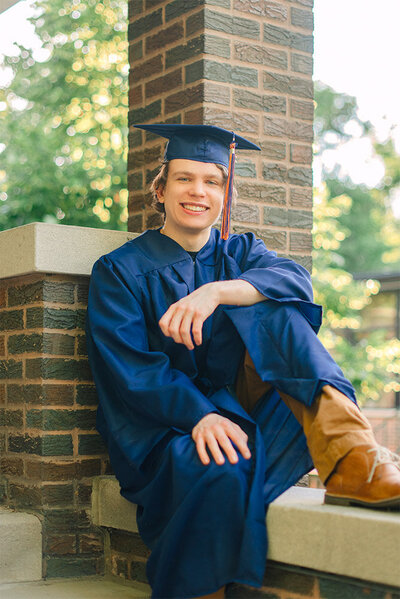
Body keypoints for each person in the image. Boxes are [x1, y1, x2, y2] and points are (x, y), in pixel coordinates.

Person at [85, 124, 400, 599]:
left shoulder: (241, 253)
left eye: (212, 181)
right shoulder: (120, 270)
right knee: (219, 469)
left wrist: (215, 292)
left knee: (275, 306)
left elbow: (297, 283)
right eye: (184, 179)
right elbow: (132, 371)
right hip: (162, 428)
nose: (198, 192)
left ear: (224, 193)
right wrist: (201, 415)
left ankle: (355, 454)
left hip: (240, 408)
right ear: (160, 189)